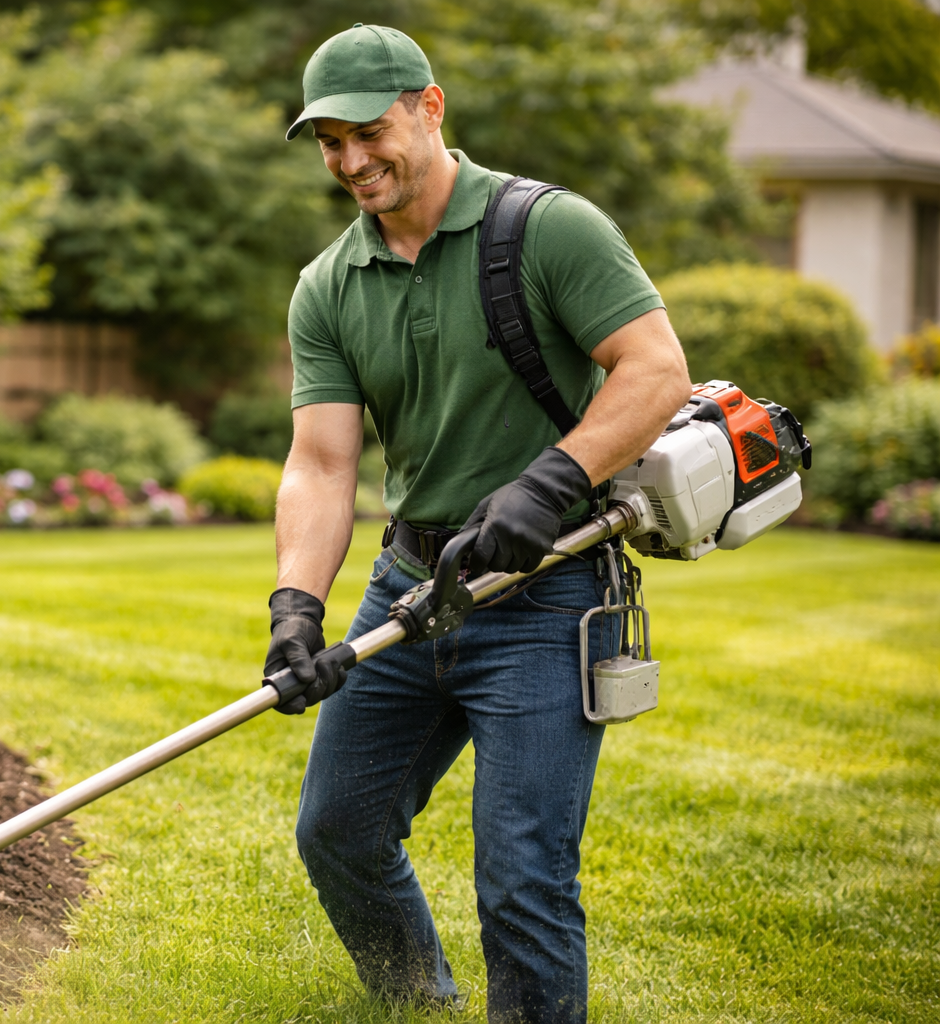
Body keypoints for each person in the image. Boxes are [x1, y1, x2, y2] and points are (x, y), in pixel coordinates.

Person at [266, 23, 691, 1023]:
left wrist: (549, 484)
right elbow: (323, 465)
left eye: (368, 130)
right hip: (413, 584)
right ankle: (418, 1001)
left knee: (521, 873)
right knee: (340, 829)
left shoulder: (548, 228)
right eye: (329, 141)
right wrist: (296, 602)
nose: (353, 160)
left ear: (430, 106)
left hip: (549, 594)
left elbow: (657, 369)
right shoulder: (330, 285)